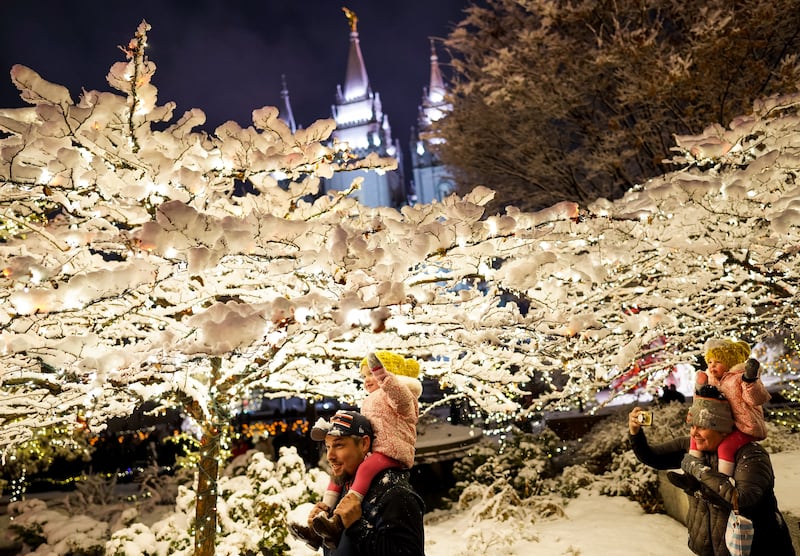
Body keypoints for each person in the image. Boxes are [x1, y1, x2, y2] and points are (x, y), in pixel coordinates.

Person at [628, 396, 795, 555]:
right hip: (708, 550)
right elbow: (652, 457)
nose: (694, 433)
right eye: (692, 426)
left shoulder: (751, 455)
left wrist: (699, 472)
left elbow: (742, 500)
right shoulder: (692, 447)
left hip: (756, 549)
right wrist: (635, 433)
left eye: (701, 427)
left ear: (722, 429)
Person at [310, 351, 422, 543]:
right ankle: (322, 521)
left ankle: (338, 522)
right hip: (376, 451)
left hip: (392, 451)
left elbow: (400, 399)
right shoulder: (371, 399)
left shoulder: (402, 396)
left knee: (366, 469)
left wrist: (384, 377)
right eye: (365, 376)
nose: (368, 379)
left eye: (371, 374)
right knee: (336, 478)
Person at [289, 409, 426, 555]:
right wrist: (323, 533)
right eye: (328, 447)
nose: (330, 456)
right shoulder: (343, 491)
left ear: (364, 444)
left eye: (339, 445)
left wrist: (357, 527)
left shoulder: (396, 495)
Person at [690, 339, 770, 475]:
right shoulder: (711, 379)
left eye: (718, 362)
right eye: (710, 362)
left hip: (745, 427)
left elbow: (757, 399)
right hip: (722, 426)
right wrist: (700, 388)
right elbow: (701, 403)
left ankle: (723, 480)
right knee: (694, 439)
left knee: (725, 448)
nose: (712, 366)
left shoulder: (739, 378)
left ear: (730, 362)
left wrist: (750, 381)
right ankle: (691, 471)